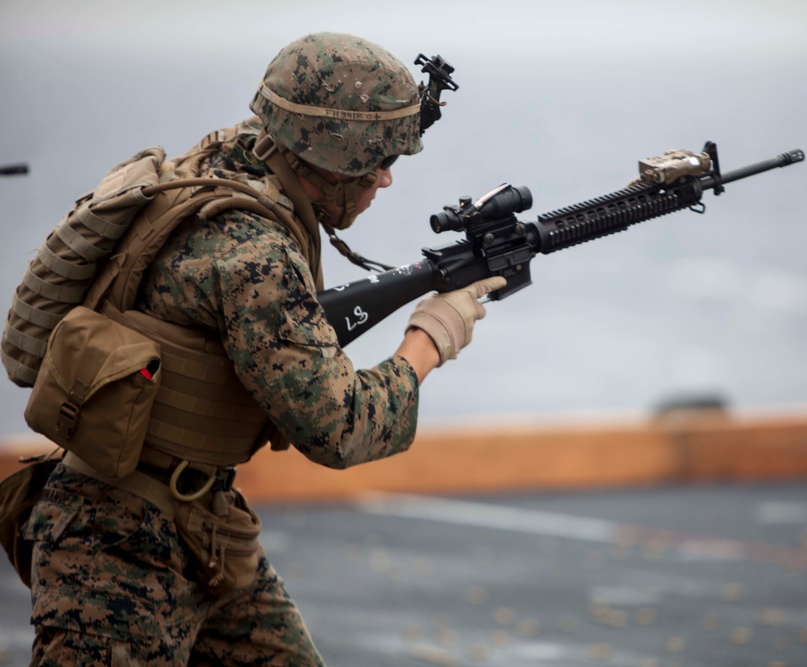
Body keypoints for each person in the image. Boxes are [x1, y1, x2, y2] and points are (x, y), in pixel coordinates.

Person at [24, 32, 504, 665]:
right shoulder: (254, 252)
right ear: (327, 159)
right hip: (113, 550)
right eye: (373, 162)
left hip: (203, 525)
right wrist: (433, 334)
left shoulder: (230, 157)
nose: (385, 178)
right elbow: (340, 428)